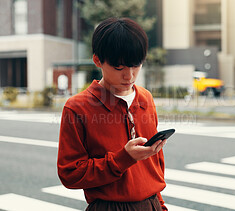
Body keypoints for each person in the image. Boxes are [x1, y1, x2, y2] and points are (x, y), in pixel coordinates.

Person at [57, 17, 168, 211]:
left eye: (136, 65)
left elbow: (154, 165)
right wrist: (123, 158)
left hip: (151, 205)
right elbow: (70, 174)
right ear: (97, 60)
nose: (129, 75)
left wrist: (160, 205)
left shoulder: (146, 99)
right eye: (119, 67)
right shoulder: (77, 107)